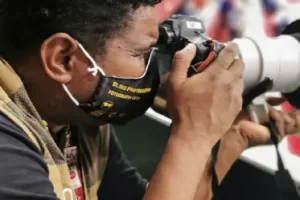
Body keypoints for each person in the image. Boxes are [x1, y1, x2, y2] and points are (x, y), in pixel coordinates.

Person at [0, 1, 298, 200]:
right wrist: (192, 134)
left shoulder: (75, 120)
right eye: (141, 54)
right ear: (62, 59)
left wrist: (230, 137)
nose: (153, 71)